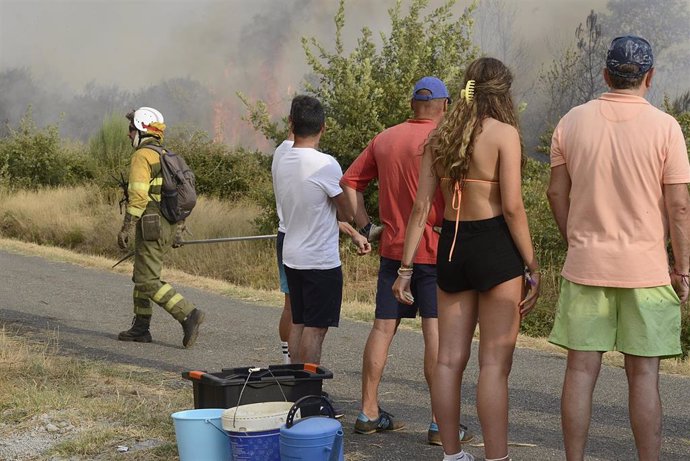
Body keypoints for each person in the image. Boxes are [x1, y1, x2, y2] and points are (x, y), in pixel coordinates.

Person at [547, 35, 690, 461]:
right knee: (644, 376)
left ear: (606, 74)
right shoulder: (666, 127)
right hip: (646, 270)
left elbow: (557, 193)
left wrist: (575, 238)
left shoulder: (571, 121)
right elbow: (679, 205)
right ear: (650, 77)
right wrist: (682, 268)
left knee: (580, 370)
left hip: (587, 264)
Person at [392, 58, 541, 461]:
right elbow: (512, 208)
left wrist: (405, 270)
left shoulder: (440, 136)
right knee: (493, 365)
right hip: (495, 247)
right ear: (503, 92)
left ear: (467, 89)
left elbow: (421, 208)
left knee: (448, 360)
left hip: (451, 248)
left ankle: (453, 456)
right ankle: (497, 457)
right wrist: (533, 265)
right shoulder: (504, 134)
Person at [342, 76, 472, 445]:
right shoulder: (445, 141)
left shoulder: (385, 138)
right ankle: (438, 423)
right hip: (433, 251)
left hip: (394, 250)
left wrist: (367, 227)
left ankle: (367, 411)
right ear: (445, 106)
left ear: (412, 104)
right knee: (435, 333)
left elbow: (350, 183)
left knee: (383, 328)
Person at [273, 95, 369, 365]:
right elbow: (347, 212)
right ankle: (310, 390)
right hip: (320, 261)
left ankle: (295, 383)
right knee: (316, 329)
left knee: (299, 322)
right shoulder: (325, 164)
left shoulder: (282, 158)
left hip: (292, 253)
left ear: (292, 123)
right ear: (323, 127)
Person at [117, 107, 205, 348]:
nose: (128, 134)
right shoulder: (168, 155)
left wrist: (126, 227)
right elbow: (182, 198)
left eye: (131, 129)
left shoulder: (142, 156)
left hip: (151, 224)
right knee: (141, 274)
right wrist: (178, 229)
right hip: (168, 224)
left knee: (147, 279)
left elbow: (138, 196)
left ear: (142, 130)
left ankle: (188, 314)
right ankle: (140, 328)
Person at [272, 133, 295, 364]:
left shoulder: (280, 150)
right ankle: (297, 365)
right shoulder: (297, 154)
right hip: (298, 234)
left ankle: (288, 361)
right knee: (302, 308)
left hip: (284, 231)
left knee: (291, 304)